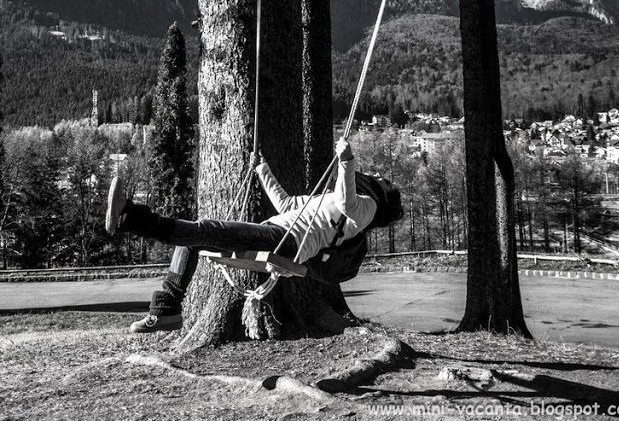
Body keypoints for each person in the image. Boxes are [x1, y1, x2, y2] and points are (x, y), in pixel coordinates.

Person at [105, 137, 403, 333]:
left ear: (383, 195)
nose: (378, 176)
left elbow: (347, 203)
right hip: (279, 232)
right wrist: (262, 169)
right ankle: (167, 308)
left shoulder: (369, 207)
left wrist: (347, 161)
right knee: (196, 237)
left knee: (206, 230)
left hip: (287, 241)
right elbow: (288, 204)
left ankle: (130, 217)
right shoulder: (330, 198)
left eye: (384, 181)